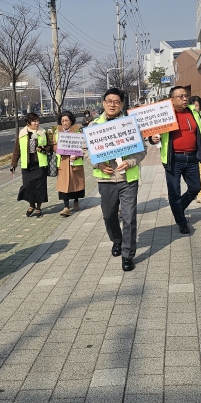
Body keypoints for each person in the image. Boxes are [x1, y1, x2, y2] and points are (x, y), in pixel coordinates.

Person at [89, 88, 147, 272]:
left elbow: (142, 149)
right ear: (103, 103)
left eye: (116, 101)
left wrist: (131, 162)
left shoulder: (130, 124)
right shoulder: (93, 125)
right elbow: (85, 150)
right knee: (108, 215)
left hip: (127, 179)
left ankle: (127, 254)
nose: (112, 104)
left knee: (129, 218)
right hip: (106, 179)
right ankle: (117, 240)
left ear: (122, 104)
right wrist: (97, 164)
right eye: (109, 101)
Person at [149, 86, 201, 234]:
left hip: (192, 157)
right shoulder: (165, 114)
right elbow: (152, 133)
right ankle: (181, 222)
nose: (185, 98)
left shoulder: (193, 112)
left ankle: (178, 208)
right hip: (174, 159)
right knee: (174, 192)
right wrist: (153, 138)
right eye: (180, 96)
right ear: (172, 100)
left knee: (195, 188)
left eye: (186, 96)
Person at [10, 112, 51, 217]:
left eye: (37, 120)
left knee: (40, 187)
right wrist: (13, 164)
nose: (36, 123)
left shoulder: (43, 132)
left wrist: (43, 149)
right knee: (28, 186)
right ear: (28, 123)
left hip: (40, 165)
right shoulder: (22, 133)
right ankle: (31, 204)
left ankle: (38, 207)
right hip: (27, 166)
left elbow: (49, 147)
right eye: (34, 121)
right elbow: (17, 150)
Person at [54, 111, 87, 216]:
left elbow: (83, 147)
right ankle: (66, 207)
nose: (64, 123)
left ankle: (76, 200)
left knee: (75, 183)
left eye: (66, 120)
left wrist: (77, 154)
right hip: (63, 161)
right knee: (64, 185)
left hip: (74, 161)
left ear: (71, 121)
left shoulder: (78, 132)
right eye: (62, 120)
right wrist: (57, 149)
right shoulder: (57, 132)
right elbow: (54, 145)